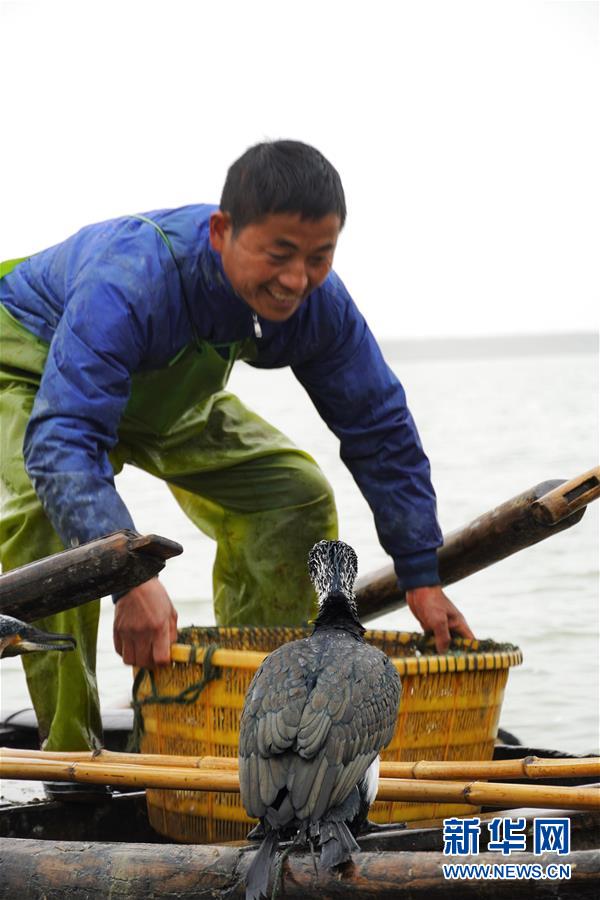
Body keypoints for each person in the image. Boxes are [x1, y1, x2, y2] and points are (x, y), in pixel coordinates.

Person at [0, 140, 473, 754]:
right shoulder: (132, 276)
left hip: (170, 387)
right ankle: (71, 752)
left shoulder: (313, 303)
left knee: (292, 494)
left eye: (319, 257)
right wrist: (129, 579)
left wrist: (421, 574)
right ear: (222, 232)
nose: (296, 280)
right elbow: (62, 439)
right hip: (35, 362)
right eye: (279, 254)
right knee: (50, 522)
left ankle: (254, 725)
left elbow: (378, 425)